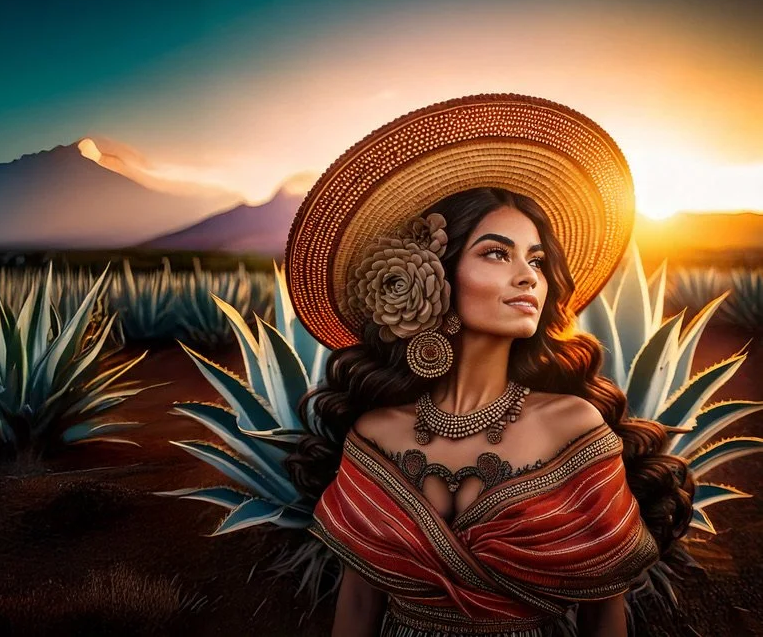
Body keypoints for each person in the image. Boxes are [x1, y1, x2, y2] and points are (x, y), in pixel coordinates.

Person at [282, 94, 695, 637]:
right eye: (497, 253)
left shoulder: (574, 426)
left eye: (537, 260)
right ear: (435, 274)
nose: (528, 277)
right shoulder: (375, 434)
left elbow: (604, 616)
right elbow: (357, 611)